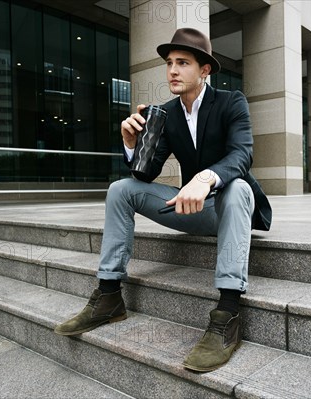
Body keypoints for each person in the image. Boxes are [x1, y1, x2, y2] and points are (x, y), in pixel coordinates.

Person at [54, 27, 272, 372]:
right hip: (189, 209)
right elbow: (144, 174)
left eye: (183, 63)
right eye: (169, 63)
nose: (172, 70)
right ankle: (109, 295)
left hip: (228, 207)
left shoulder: (232, 102)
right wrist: (130, 143)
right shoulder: (166, 114)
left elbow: (242, 155)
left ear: (205, 70)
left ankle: (227, 313)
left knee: (239, 187)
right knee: (120, 189)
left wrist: (204, 178)